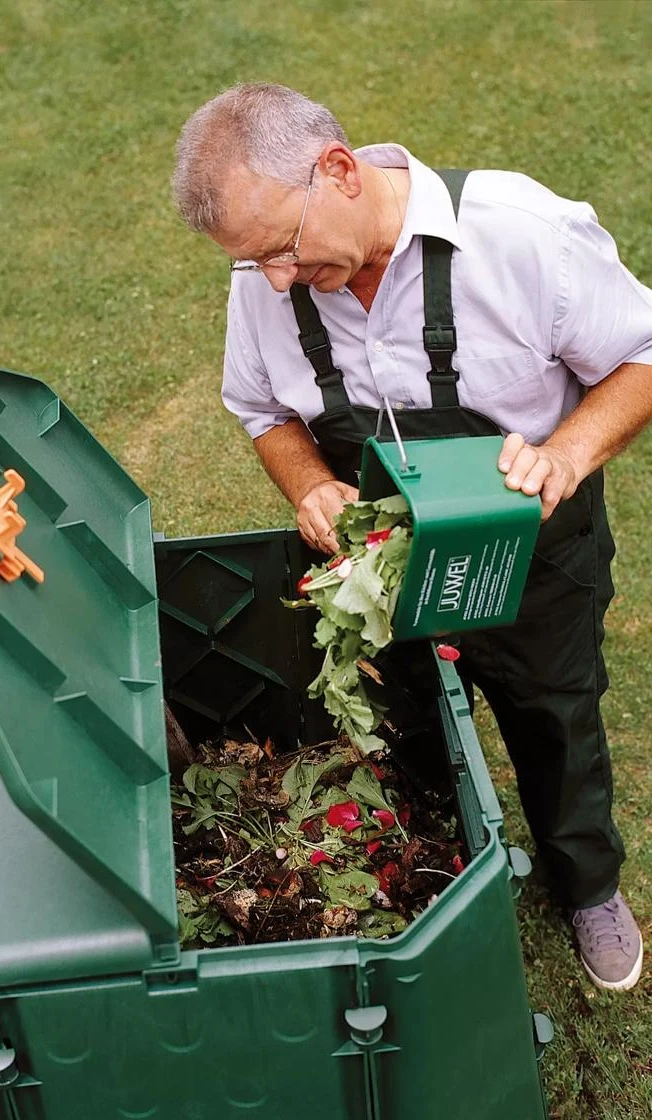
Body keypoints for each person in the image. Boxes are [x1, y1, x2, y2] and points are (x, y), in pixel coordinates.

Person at [172, 82, 651, 991]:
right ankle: (449, 879)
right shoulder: (264, 277)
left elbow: (643, 352)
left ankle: (587, 884)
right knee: (412, 723)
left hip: (536, 555)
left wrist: (570, 452)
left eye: (280, 249)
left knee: (555, 712)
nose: (272, 280)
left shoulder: (522, 234)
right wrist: (312, 483)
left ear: (340, 171)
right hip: (383, 569)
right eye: (253, 263)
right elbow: (259, 407)